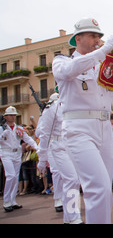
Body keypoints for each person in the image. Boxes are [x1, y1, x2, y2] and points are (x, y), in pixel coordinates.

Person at [52, 17, 113, 223]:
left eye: (99, 36)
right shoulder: (63, 61)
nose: (97, 39)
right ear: (77, 39)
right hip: (78, 129)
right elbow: (70, 71)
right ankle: (70, 216)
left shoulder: (103, 64)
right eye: (92, 35)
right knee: (93, 186)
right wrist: (104, 51)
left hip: (104, 129)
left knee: (105, 189)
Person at [36, 93, 83, 224]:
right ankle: (73, 216)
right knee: (71, 179)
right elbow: (45, 134)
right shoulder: (51, 109)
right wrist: (42, 158)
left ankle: (70, 217)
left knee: (75, 180)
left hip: (73, 145)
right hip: (58, 146)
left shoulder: (74, 105)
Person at [0, 106, 38, 212]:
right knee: (10, 175)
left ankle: (12, 201)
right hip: (6, 153)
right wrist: (2, 135)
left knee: (15, 177)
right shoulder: (2, 128)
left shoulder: (19, 129)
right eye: (11, 115)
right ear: (6, 117)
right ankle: (6, 201)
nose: (13, 117)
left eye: (14, 115)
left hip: (17, 154)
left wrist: (37, 148)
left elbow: (28, 139)